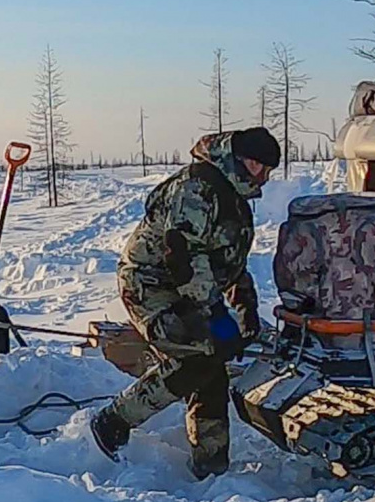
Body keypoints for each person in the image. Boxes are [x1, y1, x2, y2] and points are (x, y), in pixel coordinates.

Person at [91, 126, 281, 477]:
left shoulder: (234, 197)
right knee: (193, 359)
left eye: (269, 171)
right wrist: (216, 315)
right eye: (260, 168)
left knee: (212, 367)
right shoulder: (196, 189)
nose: (265, 178)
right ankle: (113, 421)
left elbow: (229, 263)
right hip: (150, 284)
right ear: (241, 160)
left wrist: (245, 307)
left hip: (191, 288)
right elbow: (186, 260)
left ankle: (210, 465)